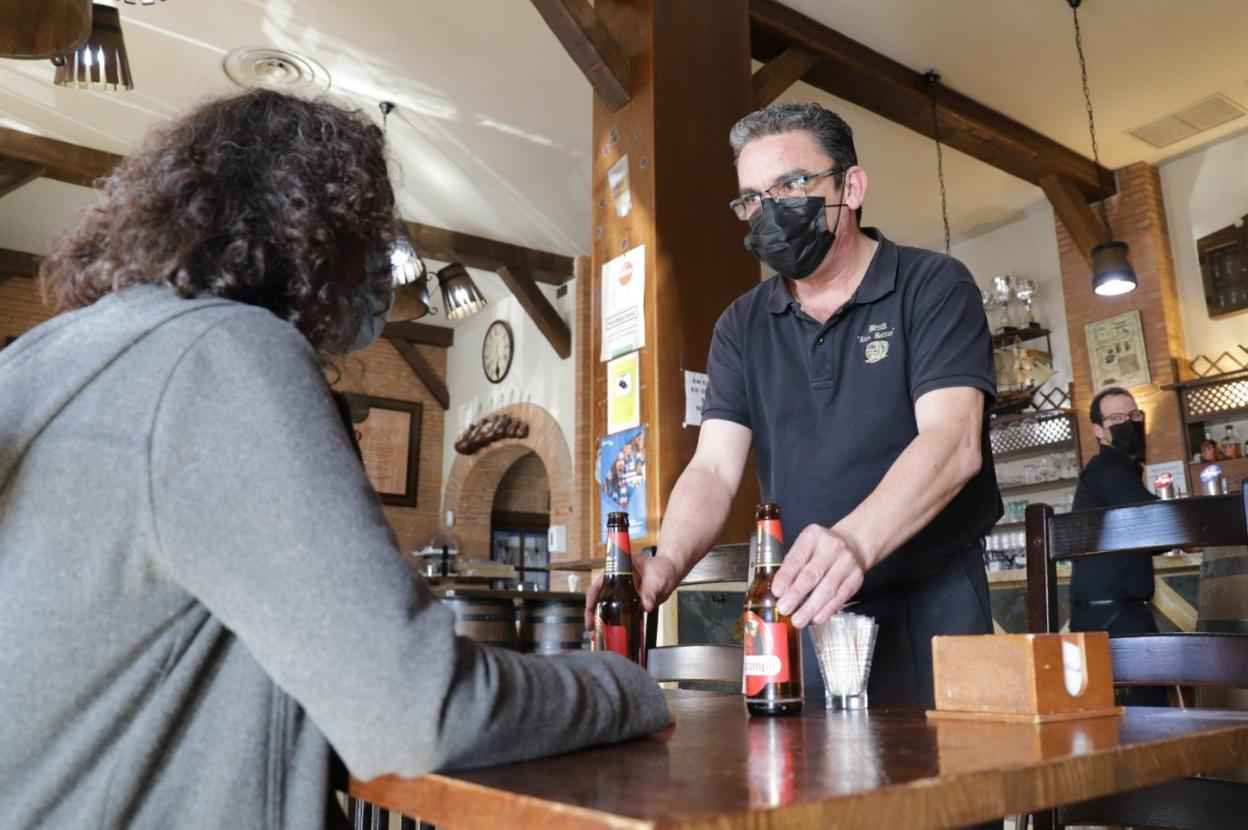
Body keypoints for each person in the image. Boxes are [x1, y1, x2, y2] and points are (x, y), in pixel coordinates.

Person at [0, 90, 667, 829]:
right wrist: (626, 684)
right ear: (318, 228)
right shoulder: (225, 352)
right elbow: (418, 708)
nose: (380, 264)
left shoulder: (43, 354)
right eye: (371, 230)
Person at [587, 101, 1001, 708]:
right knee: (806, 768)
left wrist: (853, 542)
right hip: (806, 613)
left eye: (793, 184)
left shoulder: (932, 286)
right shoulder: (741, 326)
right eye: (752, 198)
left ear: (850, 188)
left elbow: (953, 442)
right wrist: (666, 561)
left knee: (955, 773)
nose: (770, 209)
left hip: (933, 606)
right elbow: (713, 468)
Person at [1069, 387, 1167, 705]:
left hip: (1111, 615)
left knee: (1143, 711)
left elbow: (1146, 531)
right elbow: (1158, 520)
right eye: (1116, 418)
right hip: (1112, 620)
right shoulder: (1106, 470)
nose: (1129, 422)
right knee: (1146, 715)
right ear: (1098, 431)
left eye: (1134, 415)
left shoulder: (1120, 470)